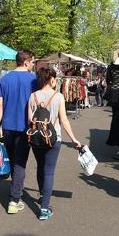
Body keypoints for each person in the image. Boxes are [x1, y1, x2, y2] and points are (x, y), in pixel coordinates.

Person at [28, 68, 81, 220]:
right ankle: (44, 208)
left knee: (40, 167)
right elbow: (64, 120)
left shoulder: (33, 96)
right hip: (53, 138)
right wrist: (73, 139)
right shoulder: (58, 97)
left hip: (36, 139)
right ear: (51, 79)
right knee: (49, 171)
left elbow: (29, 120)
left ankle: (42, 196)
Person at [0, 50, 37, 214]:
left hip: (8, 127)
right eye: (32, 61)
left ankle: (15, 188)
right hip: (25, 128)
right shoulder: (34, 80)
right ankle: (14, 199)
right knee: (20, 162)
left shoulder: (4, 79)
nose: (33, 64)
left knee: (12, 159)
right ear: (26, 62)